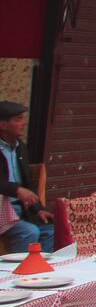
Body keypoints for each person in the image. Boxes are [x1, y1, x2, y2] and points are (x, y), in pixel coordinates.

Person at [0, 103, 52, 252]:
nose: (23, 123)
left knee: (50, 229)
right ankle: (18, 273)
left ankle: (42, 271)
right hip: (3, 210)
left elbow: (28, 182)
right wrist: (17, 190)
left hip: (20, 209)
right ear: (3, 125)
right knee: (28, 232)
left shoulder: (20, 148)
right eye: (17, 119)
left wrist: (38, 208)